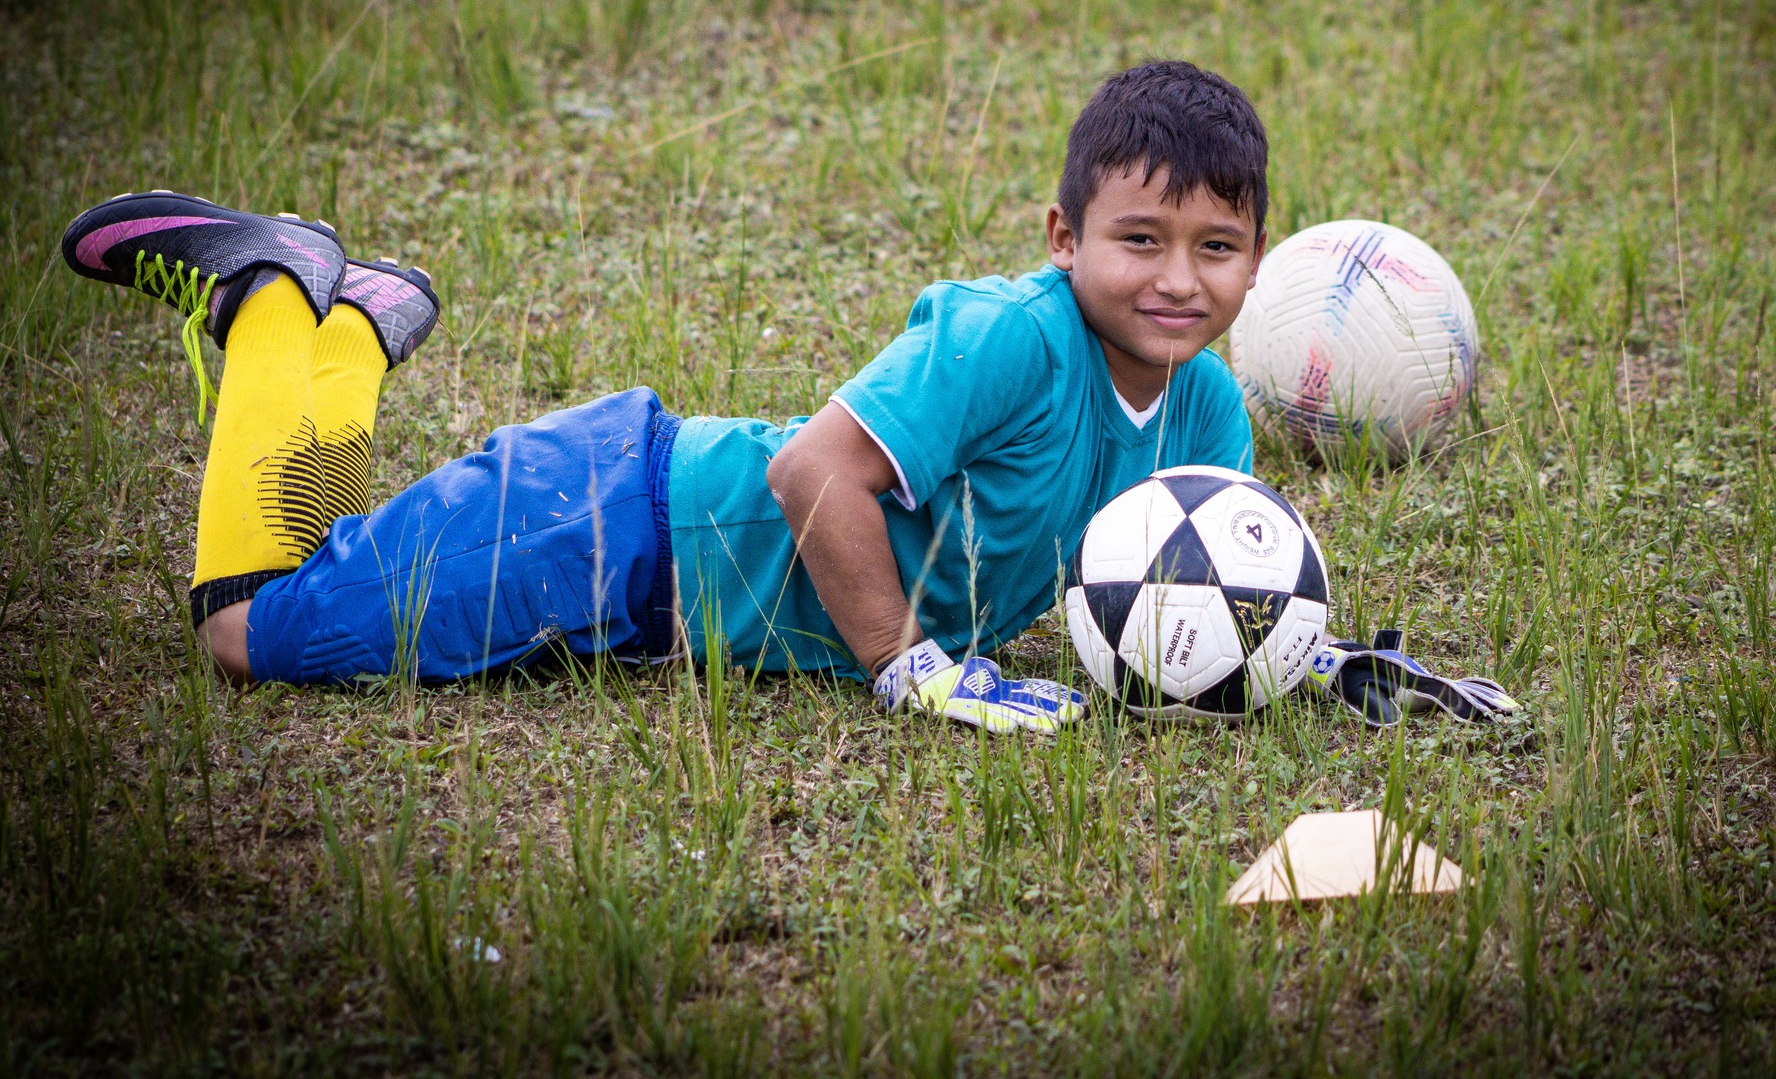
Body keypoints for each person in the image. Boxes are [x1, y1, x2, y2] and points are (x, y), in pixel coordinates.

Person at [59, 60, 1270, 734]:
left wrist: (1304, 661)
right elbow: (810, 471)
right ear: (1063, 237)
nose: (1176, 280)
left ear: (1258, 259)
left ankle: (355, 339)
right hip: (609, 521)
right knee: (246, 634)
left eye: (1214, 248)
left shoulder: (1208, 411)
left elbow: (1196, 585)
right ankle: (276, 299)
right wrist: (909, 665)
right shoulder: (1007, 335)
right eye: (1139, 238)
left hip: (639, 606)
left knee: (330, 561)